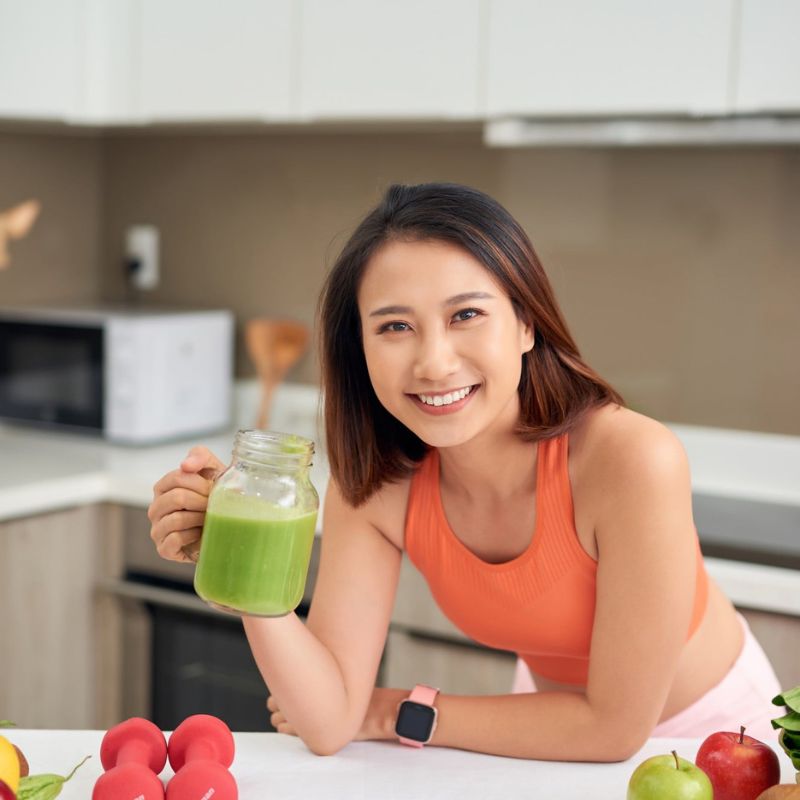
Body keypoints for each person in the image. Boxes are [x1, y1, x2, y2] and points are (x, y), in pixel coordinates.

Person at [148, 183, 780, 761]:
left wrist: (399, 710)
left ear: (526, 323)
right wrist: (240, 564)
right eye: (395, 326)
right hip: (552, 725)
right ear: (359, 349)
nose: (433, 362)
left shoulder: (630, 459)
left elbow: (614, 730)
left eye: (466, 315)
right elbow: (330, 720)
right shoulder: (377, 484)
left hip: (717, 737)